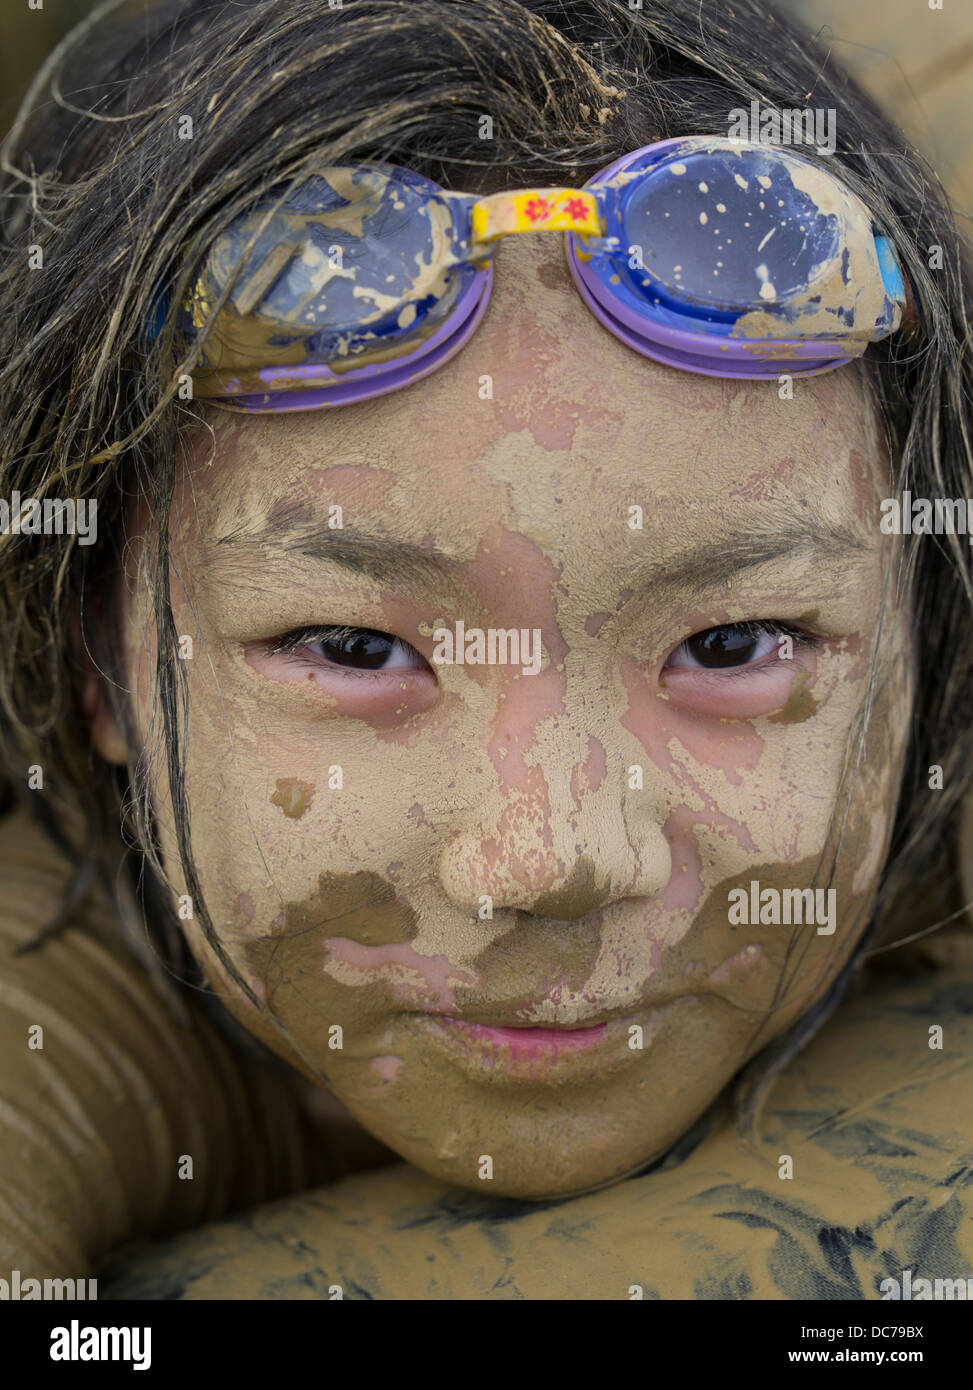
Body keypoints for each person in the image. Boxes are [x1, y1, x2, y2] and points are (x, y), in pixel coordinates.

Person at [1, 0, 970, 1299]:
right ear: (90, 655)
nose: (552, 855)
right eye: (352, 646)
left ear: (926, 627)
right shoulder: (60, 996)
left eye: (734, 641)